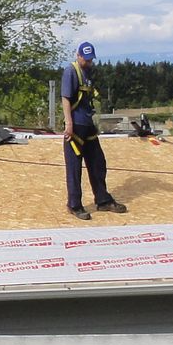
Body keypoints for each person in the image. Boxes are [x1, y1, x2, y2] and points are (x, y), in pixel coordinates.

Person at [61, 40, 127, 220]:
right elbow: (65, 98)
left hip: (88, 124)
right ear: (78, 55)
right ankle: (74, 205)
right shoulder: (70, 71)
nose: (89, 62)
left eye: (91, 59)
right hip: (75, 126)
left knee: (98, 162)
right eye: (86, 59)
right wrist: (68, 123)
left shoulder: (89, 72)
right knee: (74, 168)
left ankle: (103, 200)